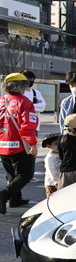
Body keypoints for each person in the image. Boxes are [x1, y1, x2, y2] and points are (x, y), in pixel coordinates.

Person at [0, 73, 39, 214]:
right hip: (20, 145)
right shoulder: (25, 102)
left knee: (11, 174)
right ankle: (4, 194)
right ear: (22, 87)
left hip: (3, 145)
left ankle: (15, 199)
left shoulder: (1, 101)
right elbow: (28, 126)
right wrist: (33, 144)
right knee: (25, 174)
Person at [20, 70, 46, 135]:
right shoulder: (18, 93)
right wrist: (34, 104)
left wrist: (28, 106)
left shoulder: (36, 93)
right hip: (21, 126)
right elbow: (20, 107)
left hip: (34, 127)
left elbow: (42, 106)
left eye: (32, 79)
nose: (31, 81)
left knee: (33, 144)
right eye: (28, 79)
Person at [42, 133, 61, 197]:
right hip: (51, 184)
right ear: (49, 146)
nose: (58, 145)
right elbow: (52, 171)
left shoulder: (61, 154)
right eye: (55, 144)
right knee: (52, 199)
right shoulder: (49, 158)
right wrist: (56, 182)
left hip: (60, 181)